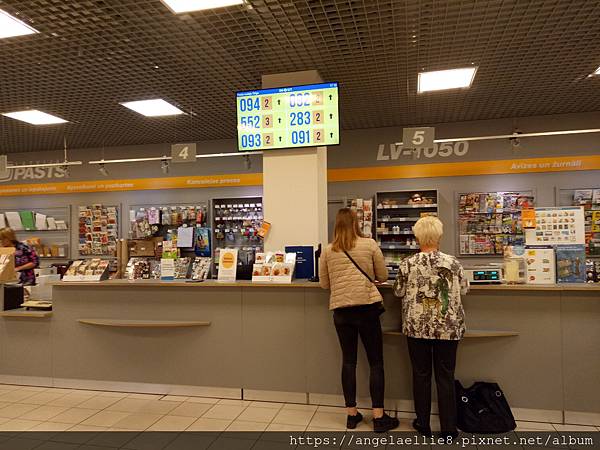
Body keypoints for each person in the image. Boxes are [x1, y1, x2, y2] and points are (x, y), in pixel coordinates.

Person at [319, 208, 399, 433]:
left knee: (349, 362)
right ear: (356, 223)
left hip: (342, 313)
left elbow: (325, 285)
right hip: (367, 309)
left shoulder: (327, 250)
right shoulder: (370, 244)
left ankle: (351, 415)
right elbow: (382, 276)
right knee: (376, 363)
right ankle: (379, 416)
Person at [393, 216, 468, 439]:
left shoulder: (407, 264)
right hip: (448, 327)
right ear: (439, 236)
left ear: (417, 237)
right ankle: (448, 429)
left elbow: (398, 291)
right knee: (445, 376)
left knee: (421, 375)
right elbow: (464, 289)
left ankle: (423, 423)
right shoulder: (453, 263)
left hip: (417, 327)